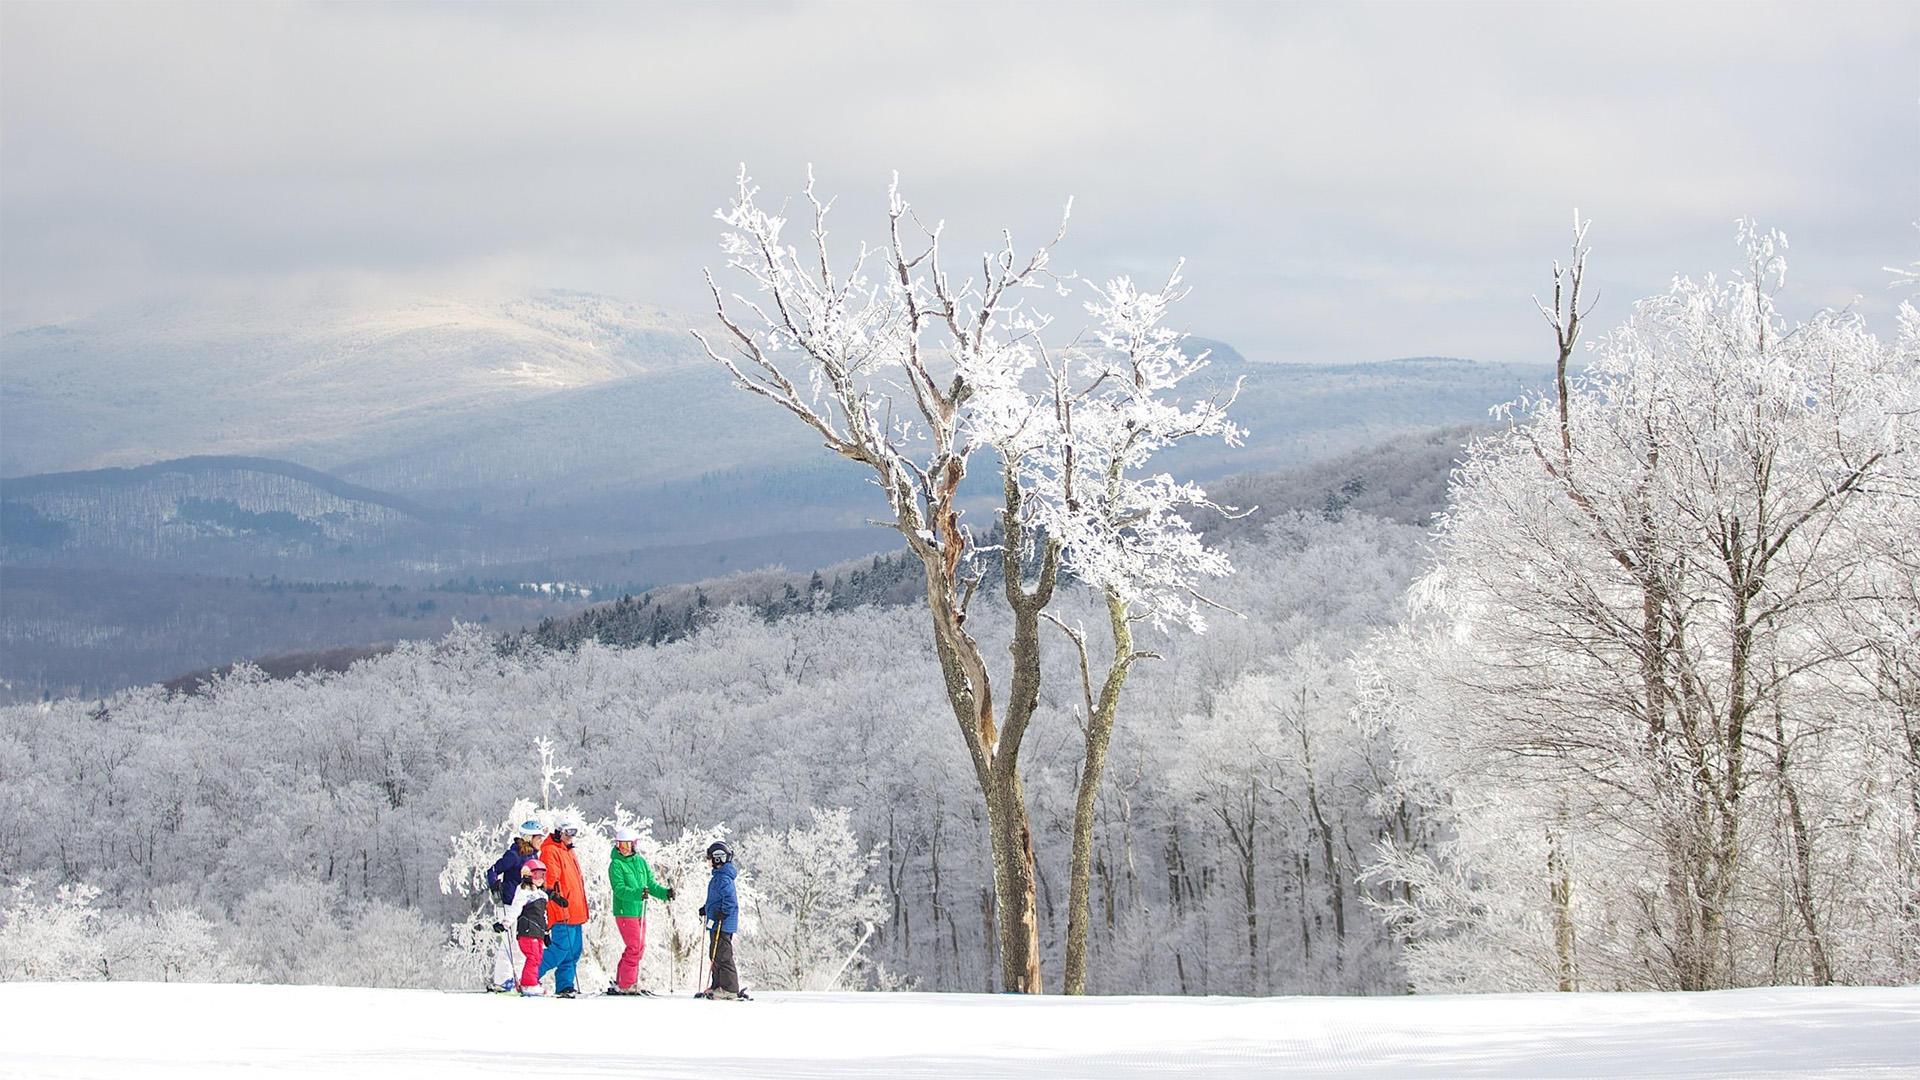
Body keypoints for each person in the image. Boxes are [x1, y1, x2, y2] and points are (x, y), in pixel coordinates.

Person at [607, 825, 674, 996]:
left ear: (634, 845)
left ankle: (622, 979)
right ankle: (627, 983)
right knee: (635, 946)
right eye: (620, 844)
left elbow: (650, 886)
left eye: (627, 845)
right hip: (625, 911)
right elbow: (619, 889)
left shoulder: (641, 862)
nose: (623, 848)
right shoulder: (616, 865)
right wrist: (638, 893)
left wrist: (665, 893)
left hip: (640, 911)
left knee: (638, 947)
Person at [482, 819, 544, 992]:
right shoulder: (514, 855)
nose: (541, 840)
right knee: (508, 944)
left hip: (525, 906)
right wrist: (495, 885)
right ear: (528, 837)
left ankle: (517, 980)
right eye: (538, 837)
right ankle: (502, 981)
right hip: (510, 904)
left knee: (519, 945)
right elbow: (493, 870)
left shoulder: (533, 855)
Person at [537, 821, 589, 998]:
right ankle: (530, 976)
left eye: (573, 834)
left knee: (573, 951)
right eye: (567, 833)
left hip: (575, 910)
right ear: (558, 832)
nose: (570, 837)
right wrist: (554, 896)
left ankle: (565, 985)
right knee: (560, 949)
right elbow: (550, 879)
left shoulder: (568, 850)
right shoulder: (550, 850)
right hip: (562, 910)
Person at [507, 858, 567, 997]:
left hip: (538, 932)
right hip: (527, 931)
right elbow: (515, 909)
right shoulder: (524, 892)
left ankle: (529, 982)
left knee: (538, 957)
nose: (541, 879)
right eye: (537, 875)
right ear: (528, 876)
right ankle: (529, 984)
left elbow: (543, 916)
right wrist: (505, 924)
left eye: (543, 876)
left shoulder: (542, 895)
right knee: (533, 957)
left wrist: (546, 932)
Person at [698, 839, 745, 1000]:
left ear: (718, 858)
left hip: (723, 924)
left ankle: (729, 988)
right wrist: (707, 908)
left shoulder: (724, 878)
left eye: (710, 858)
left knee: (723, 955)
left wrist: (723, 912)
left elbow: (730, 899)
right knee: (715, 954)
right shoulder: (718, 877)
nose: (708, 861)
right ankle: (717, 985)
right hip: (715, 922)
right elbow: (715, 898)